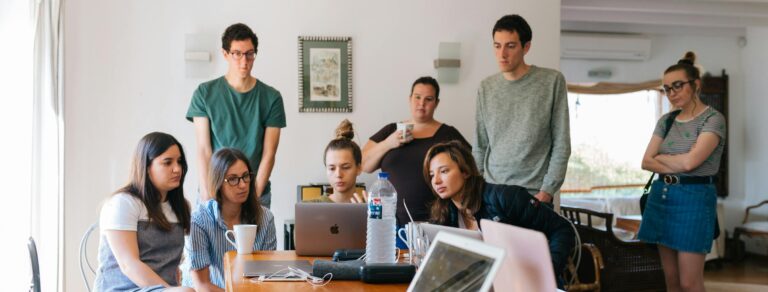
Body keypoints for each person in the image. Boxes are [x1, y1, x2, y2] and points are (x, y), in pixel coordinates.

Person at [423, 141, 575, 288]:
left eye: (444, 171)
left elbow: (562, 229)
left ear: (465, 171)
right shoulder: (445, 213)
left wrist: (546, 271)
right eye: (431, 175)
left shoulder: (505, 197)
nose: (436, 181)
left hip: (528, 284)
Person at [639, 51, 726, 292]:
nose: (672, 93)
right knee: (671, 281)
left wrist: (664, 158)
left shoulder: (713, 119)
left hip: (694, 200)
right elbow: (646, 161)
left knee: (690, 283)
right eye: (667, 89)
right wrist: (677, 160)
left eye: (677, 86)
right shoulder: (666, 121)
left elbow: (691, 164)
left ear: (695, 84)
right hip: (661, 197)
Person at [474, 14, 570, 209]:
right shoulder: (486, 87)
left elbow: (562, 143)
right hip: (492, 194)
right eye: (497, 46)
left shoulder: (551, 81)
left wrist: (547, 192)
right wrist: (476, 190)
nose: (502, 54)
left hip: (533, 196)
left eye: (510, 46)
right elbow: (480, 145)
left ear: (526, 47)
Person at [187, 23, 286, 208]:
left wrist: (253, 199)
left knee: (256, 238)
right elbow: (203, 149)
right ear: (225, 54)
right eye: (237, 54)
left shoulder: (272, 98)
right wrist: (208, 195)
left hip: (255, 191)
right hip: (215, 191)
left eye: (249, 54)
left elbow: (269, 154)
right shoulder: (204, 93)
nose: (244, 61)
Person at [362, 76, 470, 226]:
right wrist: (388, 143)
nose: (421, 103)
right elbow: (363, 164)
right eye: (417, 97)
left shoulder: (448, 134)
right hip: (390, 222)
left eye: (429, 99)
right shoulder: (390, 130)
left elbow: (470, 169)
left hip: (438, 220)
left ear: (436, 103)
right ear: (410, 98)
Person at [94, 132, 193, 292]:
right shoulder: (124, 203)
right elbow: (128, 264)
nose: (177, 169)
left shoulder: (181, 207)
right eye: (167, 163)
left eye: (179, 162)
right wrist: (170, 290)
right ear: (146, 167)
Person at [184, 148, 277, 291]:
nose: (243, 185)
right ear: (218, 182)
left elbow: (267, 277)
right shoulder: (199, 220)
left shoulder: (266, 218)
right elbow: (202, 285)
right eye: (233, 179)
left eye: (246, 176)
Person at [310, 119, 367, 203]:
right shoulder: (310, 207)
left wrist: (367, 215)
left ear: (358, 168)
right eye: (332, 168)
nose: (338, 175)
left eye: (345, 167)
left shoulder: (370, 208)